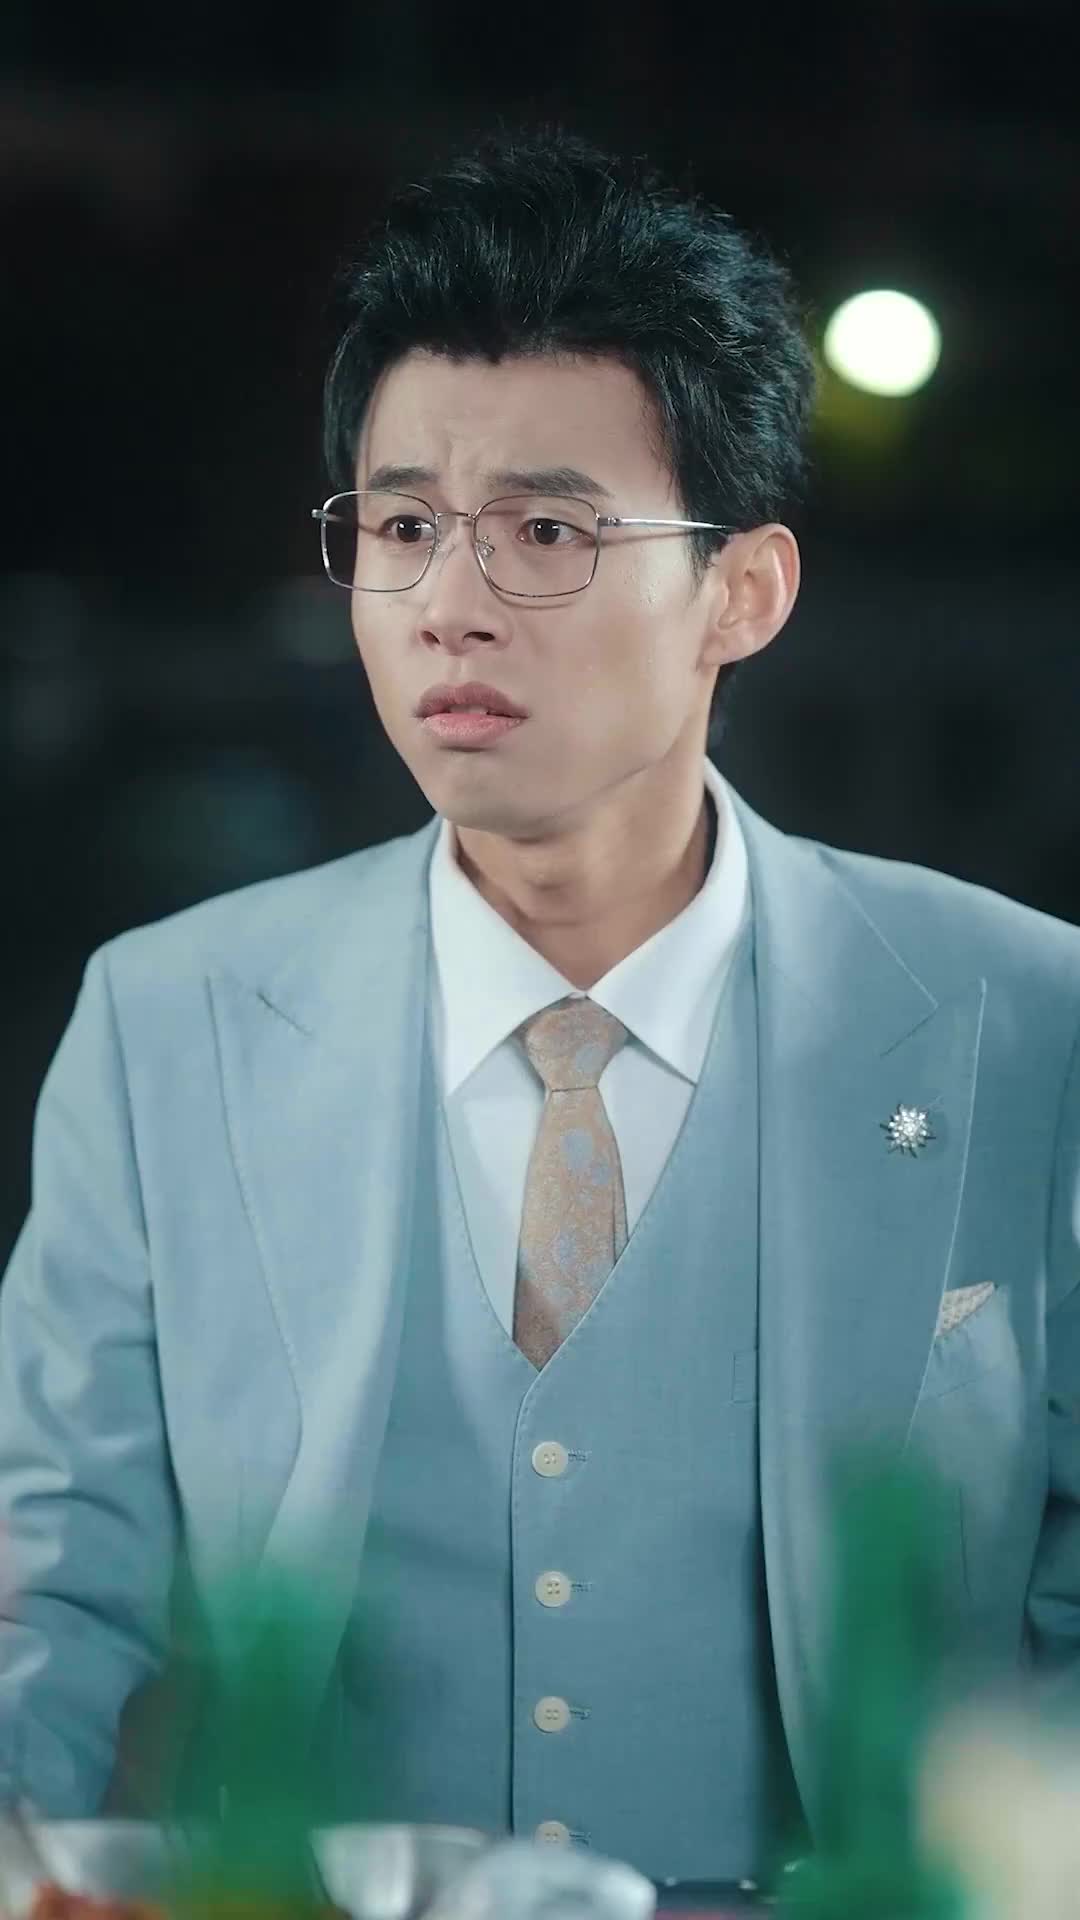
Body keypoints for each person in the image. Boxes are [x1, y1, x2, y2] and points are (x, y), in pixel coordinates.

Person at [1, 123, 1079, 1884]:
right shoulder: (165, 1022)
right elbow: (42, 1586)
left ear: (743, 591)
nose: (450, 606)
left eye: (549, 531)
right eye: (402, 527)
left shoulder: (1028, 1021)